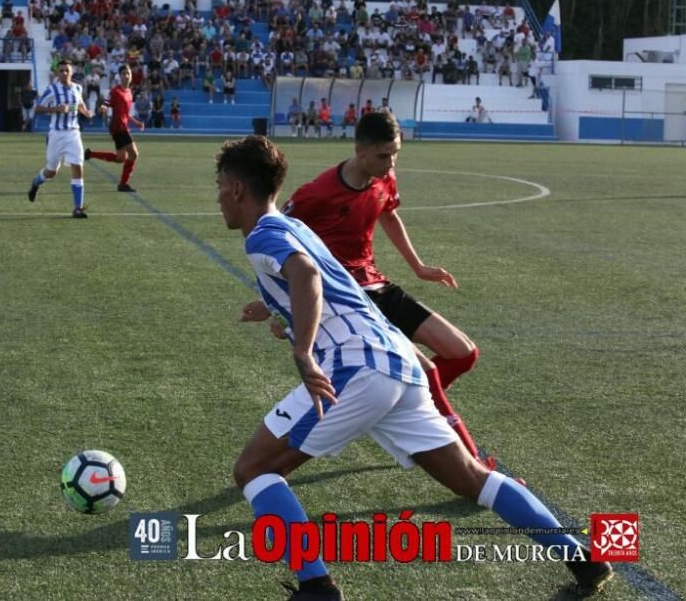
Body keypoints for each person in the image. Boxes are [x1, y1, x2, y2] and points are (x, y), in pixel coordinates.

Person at [216, 135, 614, 601]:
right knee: (472, 478)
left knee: (254, 470)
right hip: (399, 364)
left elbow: (305, 274)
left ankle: (317, 587)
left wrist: (303, 350)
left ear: (239, 189)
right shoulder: (292, 226)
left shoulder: (263, 233)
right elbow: (319, 281)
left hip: (355, 368)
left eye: (220, 185)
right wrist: (276, 307)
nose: (218, 196)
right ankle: (582, 559)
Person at [281, 110, 488, 466]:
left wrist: (418, 267)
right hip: (348, 298)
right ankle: (476, 466)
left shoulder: (384, 177)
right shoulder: (318, 193)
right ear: (359, 151)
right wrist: (281, 304)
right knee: (427, 371)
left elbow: (388, 213)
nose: (390, 162)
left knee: (463, 352)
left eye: (395, 154)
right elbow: (279, 240)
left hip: (378, 284)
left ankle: (398, 408)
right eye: (383, 155)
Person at [26, 60, 94, 218]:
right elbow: (38, 108)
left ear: (71, 72)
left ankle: (78, 208)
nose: (64, 73)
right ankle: (36, 183)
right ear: (57, 73)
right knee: (51, 171)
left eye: (67, 70)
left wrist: (88, 113)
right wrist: (55, 109)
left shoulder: (78, 88)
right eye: (61, 70)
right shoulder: (52, 89)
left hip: (73, 133)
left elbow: (81, 106)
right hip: (56, 134)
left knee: (77, 167)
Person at [83, 64, 145, 192]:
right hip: (118, 127)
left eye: (128, 73)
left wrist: (136, 122)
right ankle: (123, 184)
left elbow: (126, 113)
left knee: (120, 158)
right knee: (134, 154)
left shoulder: (129, 92)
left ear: (131, 75)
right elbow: (106, 102)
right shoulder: (115, 91)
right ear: (119, 76)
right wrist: (103, 107)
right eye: (124, 74)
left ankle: (90, 154)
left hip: (122, 126)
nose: (126, 76)